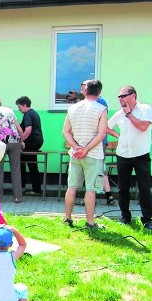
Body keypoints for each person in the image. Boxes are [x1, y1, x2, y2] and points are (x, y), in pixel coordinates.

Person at [62, 79, 108, 229]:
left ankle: (67, 218)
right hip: (93, 154)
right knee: (91, 189)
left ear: (84, 91)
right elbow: (101, 134)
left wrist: (76, 148)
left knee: (72, 187)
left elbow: (66, 132)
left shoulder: (73, 108)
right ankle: (90, 222)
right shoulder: (101, 109)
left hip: (75, 154)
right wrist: (86, 149)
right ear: (99, 92)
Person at [107, 85, 152, 229]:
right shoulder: (119, 113)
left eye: (123, 96)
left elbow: (143, 127)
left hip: (141, 154)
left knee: (144, 188)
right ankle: (125, 216)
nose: (120, 99)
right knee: (123, 188)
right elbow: (107, 126)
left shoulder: (145, 109)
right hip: (123, 154)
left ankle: (147, 219)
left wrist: (129, 115)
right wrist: (118, 135)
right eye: (119, 97)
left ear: (133, 95)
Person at [81, 80, 116, 206]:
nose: (82, 91)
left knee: (93, 170)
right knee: (99, 169)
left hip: (96, 142)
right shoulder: (100, 102)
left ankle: (92, 199)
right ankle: (108, 195)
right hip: (98, 141)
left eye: (83, 89)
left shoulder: (97, 103)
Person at [0, 96, 24, 203]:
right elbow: (19, 129)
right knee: (16, 170)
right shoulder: (10, 111)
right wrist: (22, 141)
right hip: (15, 142)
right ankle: (18, 197)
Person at [15, 96, 44, 196]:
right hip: (37, 141)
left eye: (19, 107)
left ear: (24, 105)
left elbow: (28, 130)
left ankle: (22, 187)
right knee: (32, 165)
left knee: (21, 163)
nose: (18, 109)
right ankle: (36, 189)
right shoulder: (34, 113)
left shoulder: (28, 114)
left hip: (31, 142)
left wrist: (21, 141)